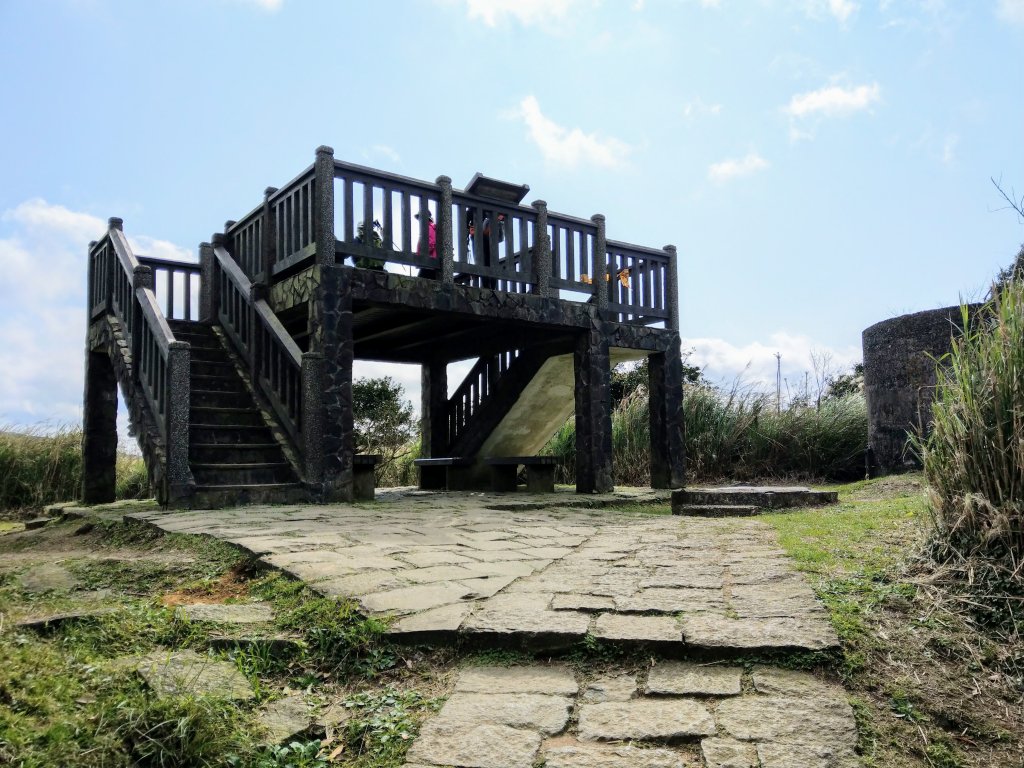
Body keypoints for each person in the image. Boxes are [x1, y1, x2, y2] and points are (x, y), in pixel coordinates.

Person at [415, 211, 438, 278]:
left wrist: (423, 253)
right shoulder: (427, 228)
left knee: (419, 282)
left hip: (429, 261)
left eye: (420, 218)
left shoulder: (429, 228)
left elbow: (431, 243)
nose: (419, 221)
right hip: (428, 261)